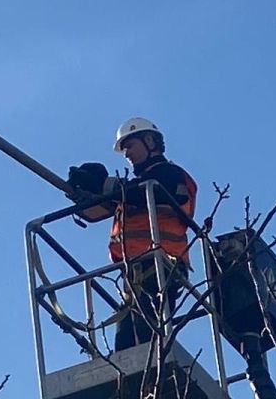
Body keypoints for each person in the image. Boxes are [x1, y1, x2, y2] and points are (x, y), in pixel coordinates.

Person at [67, 118, 197, 351]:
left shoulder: (171, 175)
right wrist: (84, 193)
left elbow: (161, 193)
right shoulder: (134, 189)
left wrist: (106, 186)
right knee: (125, 346)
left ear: (150, 142)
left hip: (162, 265)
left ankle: (155, 369)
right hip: (133, 273)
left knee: (147, 341)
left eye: (130, 145)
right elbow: (97, 212)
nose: (127, 154)